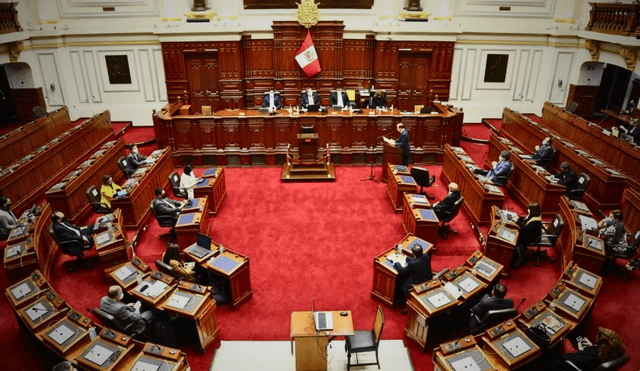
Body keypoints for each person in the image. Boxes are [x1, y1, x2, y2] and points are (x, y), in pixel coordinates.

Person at [549, 327, 626, 371]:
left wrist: (579, 350)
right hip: (588, 365)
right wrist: (592, 346)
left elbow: (574, 361)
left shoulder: (589, 358)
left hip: (567, 366)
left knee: (561, 345)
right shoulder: (614, 352)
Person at [393, 244, 432, 308]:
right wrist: (405, 257)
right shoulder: (426, 256)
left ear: (413, 253)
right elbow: (417, 260)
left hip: (418, 283)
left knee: (400, 280)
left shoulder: (412, 264)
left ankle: (399, 299)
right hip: (427, 280)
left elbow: (402, 270)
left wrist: (396, 263)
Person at [511, 203, 543, 268]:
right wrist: (518, 218)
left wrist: (517, 222)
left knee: (515, 239)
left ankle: (517, 260)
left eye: (529, 209)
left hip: (531, 237)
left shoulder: (535, 221)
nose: (528, 210)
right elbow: (525, 221)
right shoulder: (533, 215)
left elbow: (524, 229)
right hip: (528, 233)